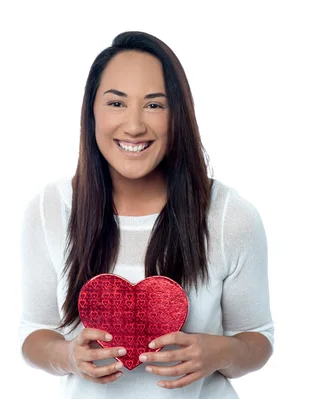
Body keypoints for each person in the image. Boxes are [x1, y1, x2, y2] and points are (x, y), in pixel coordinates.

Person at [18, 31, 274, 398]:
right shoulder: (50, 209)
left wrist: (218, 352)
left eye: (154, 105)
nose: (135, 126)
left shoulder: (228, 216)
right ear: (91, 111)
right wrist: (68, 356)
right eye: (116, 104)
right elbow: (34, 332)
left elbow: (258, 338)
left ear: (178, 115)